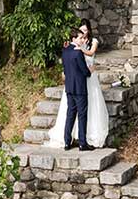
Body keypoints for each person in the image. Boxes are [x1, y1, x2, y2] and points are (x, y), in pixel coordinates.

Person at [48, 20, 113, 151]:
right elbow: (85, 72)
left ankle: (67, 142)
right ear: (74, 38)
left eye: (83, 36)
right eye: (79, 37)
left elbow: (66, 70)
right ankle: (83, 143)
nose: (82, 39)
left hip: (70, 87)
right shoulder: (78, 53)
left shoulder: (65, 50)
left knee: (70, 114)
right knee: (82, 115)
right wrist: (91, 70)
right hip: (80, 88)